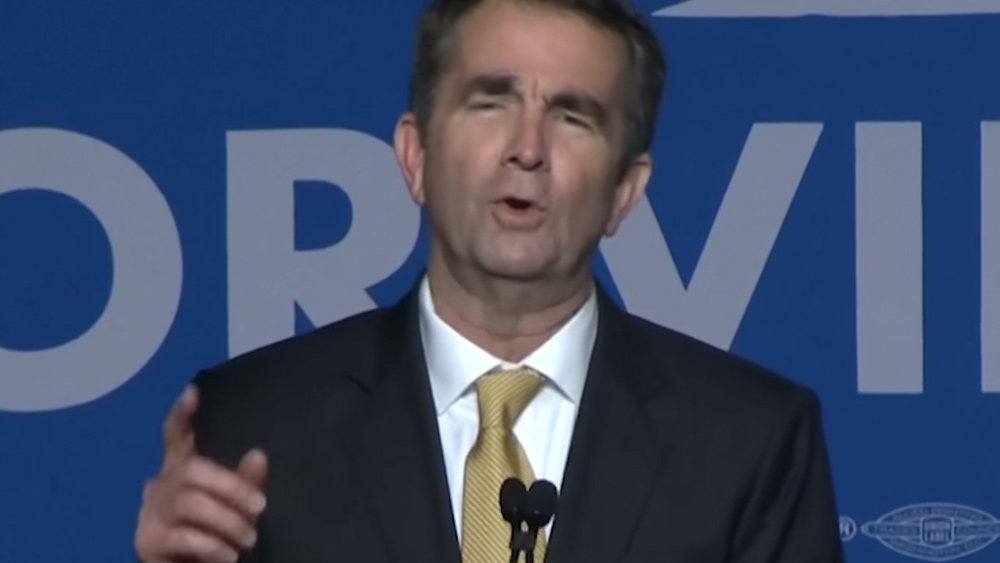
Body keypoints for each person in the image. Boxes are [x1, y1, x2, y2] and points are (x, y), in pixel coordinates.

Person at [134, 0, 845, 561]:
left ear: (625, 192)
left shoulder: (749, 442)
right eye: (490, 102)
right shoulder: (258, 425)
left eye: (572, 117)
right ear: (415, 157)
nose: (527, 149)